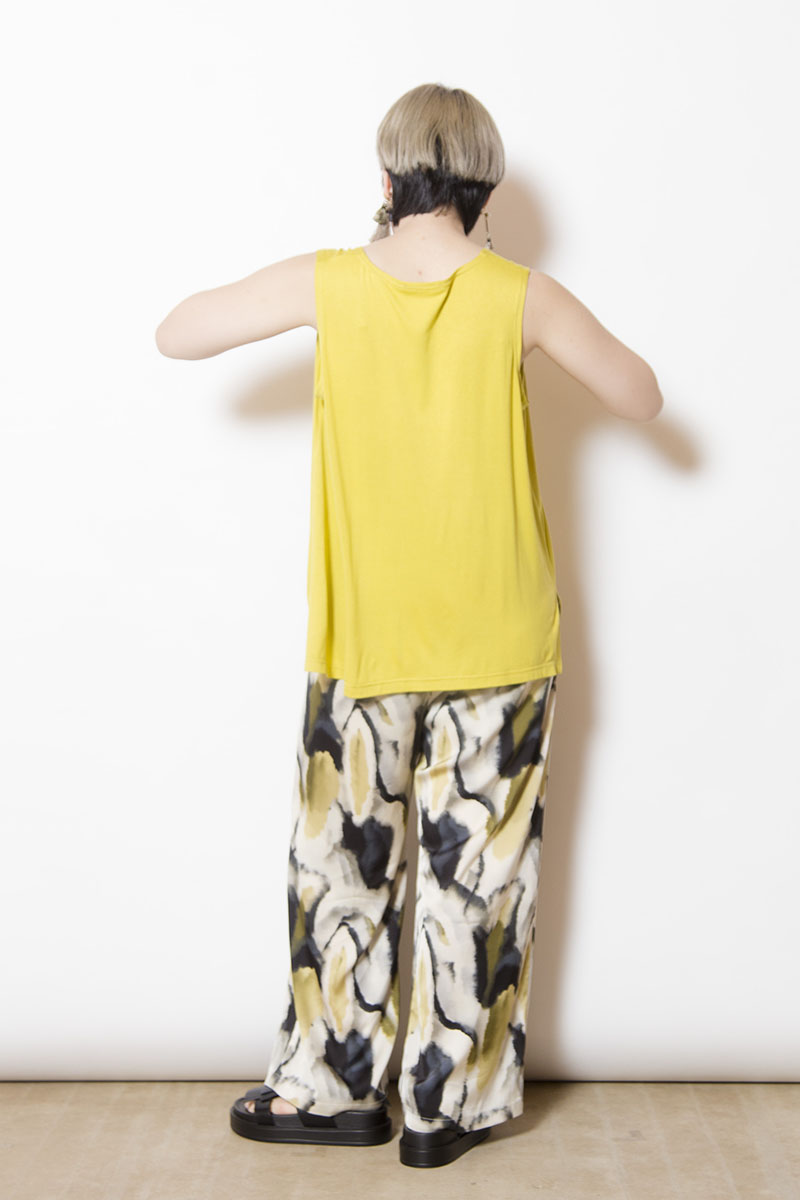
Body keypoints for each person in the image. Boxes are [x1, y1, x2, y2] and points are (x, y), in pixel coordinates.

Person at [156, 82, 663, 1169]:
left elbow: (176, 332)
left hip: (365, 640)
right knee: (478, 886)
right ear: (483, 183)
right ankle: (447, 1110)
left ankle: (333, 1090)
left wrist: (339, 280)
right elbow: (642, 397)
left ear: (386, 178)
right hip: (499, 640)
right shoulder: (521, 296)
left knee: (339, 873)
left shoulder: (330, 282)